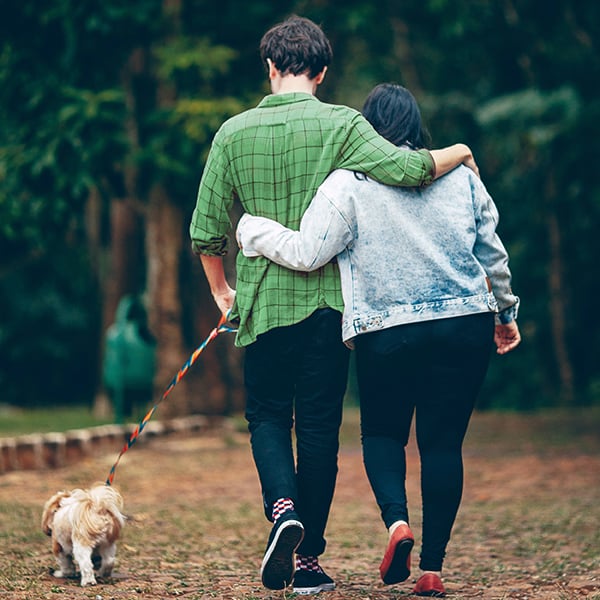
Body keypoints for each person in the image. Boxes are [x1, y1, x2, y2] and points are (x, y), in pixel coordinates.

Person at [190, 16, 480, 595]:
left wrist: (224, 292)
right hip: (327, 306)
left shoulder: (231, 132)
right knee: (320, 427)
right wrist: (462, 150)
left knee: (268, 417)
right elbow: (408, 170)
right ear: (322, 72)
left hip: (264, 306)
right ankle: (307, 562)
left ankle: (283, 512)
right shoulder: (345, 124)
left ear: (270, 67)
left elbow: (205, 230)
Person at [236, 83, 521, 597]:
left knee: (384, 436)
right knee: (443, 445)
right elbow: (492, 253)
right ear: (418, 127)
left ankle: (397, 525)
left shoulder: (349, 182)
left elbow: (307, 252)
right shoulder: (461, 177)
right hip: (463, 324)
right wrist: (504, 312)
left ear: (365, 128)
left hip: (386, 333)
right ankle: (431, 568)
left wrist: (253, 231)